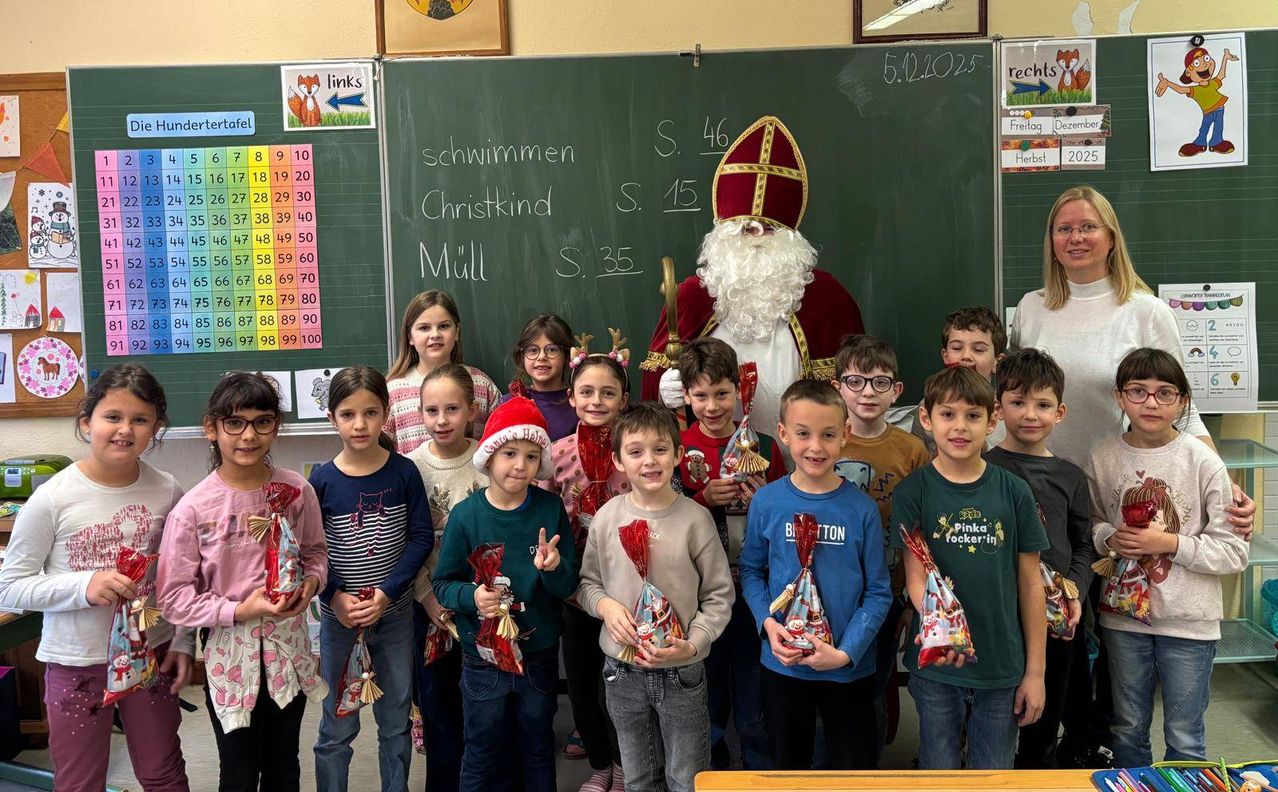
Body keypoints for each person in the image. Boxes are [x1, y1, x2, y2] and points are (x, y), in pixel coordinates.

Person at [1011, 185, 1254, 764]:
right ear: (1050, 238)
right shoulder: (1031, 306)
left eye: (1088, 227)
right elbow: (1016, 395)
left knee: (1114, 621)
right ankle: (1053, 748)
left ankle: (1103, 744)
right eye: (1063, 228)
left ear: (1112, 236)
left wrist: (1223, 484)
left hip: (1116, 492)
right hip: (1042, 486)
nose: (1075, 238)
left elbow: (1181, 402)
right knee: (1054, 622)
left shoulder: (1145, 310)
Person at [0, 364, 192, 792]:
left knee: (163, 772)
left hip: (150, 657)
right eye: (112, 417)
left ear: (156, 428)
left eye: (140, 420)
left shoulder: (168, 490)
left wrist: (181, 641)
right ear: (87, 422)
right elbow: (10, 585)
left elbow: (177, 578)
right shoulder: (52, 498)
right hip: (76, 664)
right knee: (80, 781)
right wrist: (82, 587)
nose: (125, 429)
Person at [641, 114, 865, 434]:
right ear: (724, 234)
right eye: (746, 228)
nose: (757, 234)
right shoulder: (691, 298)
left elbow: (857, 388)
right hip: (709, 464)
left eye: (769, 228)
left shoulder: (827, 298)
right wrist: (667, 389)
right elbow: (653, 391)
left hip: (803, 461)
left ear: (790, 237)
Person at [158, 372, 327, 792]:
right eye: (234, 422)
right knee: (237, 767)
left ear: (275, 426)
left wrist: (311, 585)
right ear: (211, 429)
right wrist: (238, 609)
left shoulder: (296, 490)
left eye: (262, 421)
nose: (248, 435)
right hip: (229, 656)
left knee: (285, 764)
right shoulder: (194, 508)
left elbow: (316, 555)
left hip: (288, 649)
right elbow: (175, 598)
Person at [1087, 348, 1248, 767]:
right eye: (1137, 392)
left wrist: (1169, 544)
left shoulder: (1204, 461)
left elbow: (1234, 551)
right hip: (1123, 621)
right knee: (1126, 728)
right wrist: (1110, 538)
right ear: (1119, 397)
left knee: (1185, 734)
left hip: (1189, 625)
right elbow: (1091, 524)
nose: (1151, 402)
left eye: (1164, 392)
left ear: (1182, 400)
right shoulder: (1102, 456)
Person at [890, 366, 1049, 770]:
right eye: (947, 414)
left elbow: (1031, 585)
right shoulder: (913, 492)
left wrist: (1036, 672)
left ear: (992, 420)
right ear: (926, 419)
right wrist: (944, 636)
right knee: (939, 767)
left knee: (994, 772)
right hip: (938, 663)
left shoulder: (1014, 491)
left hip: (1002, 665)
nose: (959, 426)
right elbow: (915, 580)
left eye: (973, 416)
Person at [577, 403, 735, 792]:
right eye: (635, 451)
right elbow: (586, 585)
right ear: (617, 460)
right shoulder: (607, 519)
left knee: (686, 776)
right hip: (622, 669)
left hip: (682, 670)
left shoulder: (695, 520)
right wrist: (605, 605)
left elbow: (718, 595)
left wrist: (693, 644)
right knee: (637, 776)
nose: (649, 461)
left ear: (679, 455)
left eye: (661, 449)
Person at [739, 379, 891, 770]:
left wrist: (845, 653)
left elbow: (878, 592)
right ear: (783, 434)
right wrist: (767, 626)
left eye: (828, 435)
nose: (815, 447)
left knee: (851, 767)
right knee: (788, 764)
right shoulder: (767, 501)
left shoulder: (861, 510)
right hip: (783, 664)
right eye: (803, 434)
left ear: (846, 434)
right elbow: (752, 571)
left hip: (847, 669)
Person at [433, 396, 577, 792]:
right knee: (480, 749)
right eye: (510, 453)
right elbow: (443, 584)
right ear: (490, 456)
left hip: (538, 654)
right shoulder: (466, 516)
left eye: (532, 457)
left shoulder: (549, 510)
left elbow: (568, 584)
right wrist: (471, 598)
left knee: (537, 746)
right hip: (483, 660)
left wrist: (553, 569)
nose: (520, 465)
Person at [309, 366, 433, 792]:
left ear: (386, 415)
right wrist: (335, 596)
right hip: (339, 620)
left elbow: (419, 539)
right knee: (337, 723)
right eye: (347, 414)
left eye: (370, 412)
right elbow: (310, 552)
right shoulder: (322, 480)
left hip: (395, 616)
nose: (359, 424)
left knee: (395, 719)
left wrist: (387, 592)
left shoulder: (403, 473)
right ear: (331, 418)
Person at [674, 337, 786, 770]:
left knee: (754, 692)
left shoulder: (765, 448)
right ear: (685, 395)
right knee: (709, 695)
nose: (712, 405)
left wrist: (765, 505)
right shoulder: (678, 447)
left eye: (722, 393)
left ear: (739, 390)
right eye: (700, 395)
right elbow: (668, 517)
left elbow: (785, 520)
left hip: (758, 593)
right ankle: (712, 768)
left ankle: (759, 769)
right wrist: (702, 500)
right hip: (701, 597)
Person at [982, 349, 1095, 768]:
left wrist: (1076, 592)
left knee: (1042, 720)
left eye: (1043, 404)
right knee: (992, 719)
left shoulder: (1070, 476)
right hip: (997, 616)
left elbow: (1084, 544)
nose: (1031, 414)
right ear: (998, 408)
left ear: (1060, 411)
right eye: (1018, 402)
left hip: (1055, 621)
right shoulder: (982, 467)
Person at [831, 334, 930, 764]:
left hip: (889, 592)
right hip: (832, 592)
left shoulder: (911, 450)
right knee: (834, 686)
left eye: (879, 382)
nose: (867, 392)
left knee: (873, 683)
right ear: (837, 386)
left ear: (897, 391)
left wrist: (911, 600)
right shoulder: (825, 443)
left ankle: (866, 769)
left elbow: (921, 532)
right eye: (855, 381)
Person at [542, 332, 631, 791]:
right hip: (577, 589)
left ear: (624, 399)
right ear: (572, 397)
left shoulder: (635, 452)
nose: (597, 401)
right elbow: (544, 514)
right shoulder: (557, 454)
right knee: (581, 682)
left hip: (628, 587)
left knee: (626, 684)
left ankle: (628, 765)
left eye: (608, 392)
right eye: (587, 391)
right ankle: (601, 764)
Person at [406, 364, 489, 792]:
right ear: (419, 413)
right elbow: (406, 543)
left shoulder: (488, 463)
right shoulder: (410, 469)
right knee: (437, 705)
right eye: (432, 410)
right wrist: (427, 599)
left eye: (452, 409)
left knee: (483, 705)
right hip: (430, 611)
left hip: (481, 609)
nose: (442, 420)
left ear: (472, 411)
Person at [386, 290, 501, 453]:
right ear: (409, 337)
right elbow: (380, 453)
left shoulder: (481, 385)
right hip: (414, 478)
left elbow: (501, 444)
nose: (435, 335)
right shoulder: (393, 392)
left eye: (444, 326)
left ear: (457, 332)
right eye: (424, 328)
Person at [901, 306, 1006, 453]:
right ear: (945, 356)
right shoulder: (929, 406)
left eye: (979, 350)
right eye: (957, 348)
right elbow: (920, 460)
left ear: (997, 361)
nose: (966, 356)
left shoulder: (1008, 411)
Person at [504, 313, 578, 442]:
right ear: (522, 357)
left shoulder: (580, 403)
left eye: (552, 350)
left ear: (566, 356)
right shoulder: (508, 403)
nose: (541, 357)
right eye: (532, 350)